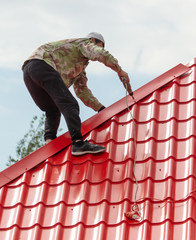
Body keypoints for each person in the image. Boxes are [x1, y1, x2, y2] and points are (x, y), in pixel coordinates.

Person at [22, 32, 133, 156]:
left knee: (53, 110)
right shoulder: (84, 43)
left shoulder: (80, 67)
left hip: (29, 72)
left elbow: (82, 92)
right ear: (92, 40)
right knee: (70, 105)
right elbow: (100, 54)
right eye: (100, 46)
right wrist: (119, 70)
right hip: (41, 64)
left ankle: (50, 145)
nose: (99, 49)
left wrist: (101, 109)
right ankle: (78, 143)